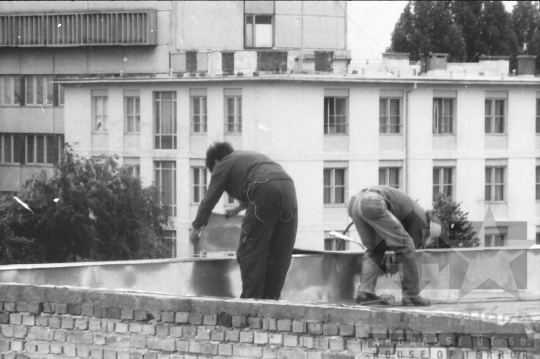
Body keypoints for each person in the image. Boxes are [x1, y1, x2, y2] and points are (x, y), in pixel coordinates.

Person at [189, 142, 298, 300]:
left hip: (264, 190)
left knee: (250, 250)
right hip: (289, 190)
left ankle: (250, 304)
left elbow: (210, 198)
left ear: (215, 162)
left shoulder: (222, 164)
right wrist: (238, 209)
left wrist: (196, 227)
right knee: (278, 254)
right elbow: (265, 181)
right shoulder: (246, 158)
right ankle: (271, 304)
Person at [348, 185, 441, 306]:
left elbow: (392, 240)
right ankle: (411, 296)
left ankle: (365, 293)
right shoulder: (421, 220)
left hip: (355, 203)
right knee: (406, 245)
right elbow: (408, 250)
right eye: (426, 236)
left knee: (375, 249)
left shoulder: (412, 209)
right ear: (428, 227)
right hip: (372, 202)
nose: (424, 239)